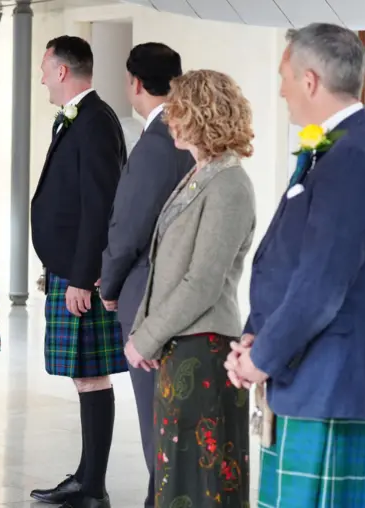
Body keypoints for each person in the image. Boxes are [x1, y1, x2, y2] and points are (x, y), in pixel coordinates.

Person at [226, 23, 365, 508]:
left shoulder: (353, 155)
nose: (281, 89)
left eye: (285, 76)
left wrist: (262, 357)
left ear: (310, 81)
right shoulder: (338, 148)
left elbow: (322, 283)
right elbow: (291, 263)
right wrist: (255, 336)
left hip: (329, 382)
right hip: (309, 377)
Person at [126, 69, 255, 507]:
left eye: (178, 111)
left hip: (205, 351)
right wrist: (146, 333)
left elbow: (201, 281)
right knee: (177, 477)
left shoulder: (230, 183)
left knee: (202, 484)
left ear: (201, 115)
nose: (170, 120)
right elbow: (164, 263)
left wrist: (145, 337)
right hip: (182, 348)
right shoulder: (201, 174)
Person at [29, 36, 127, 508]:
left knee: (91, 376)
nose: (42, 77)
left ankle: (92, 486)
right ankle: (87, 478)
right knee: (84, 376)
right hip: (68, 269)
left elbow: (100, 205)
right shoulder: (83, 119)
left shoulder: (94, 123)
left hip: (78, 274)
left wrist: (83, 277)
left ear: (63, 71)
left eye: (45, 68)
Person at [99, 42, 194, 508]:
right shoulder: (187, 135)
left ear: (136, 83)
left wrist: (110, 284)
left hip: (148, 293)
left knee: (154, 412)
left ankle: (161, 498)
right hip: (180, 294)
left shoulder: (158, 142)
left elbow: (130, 223)